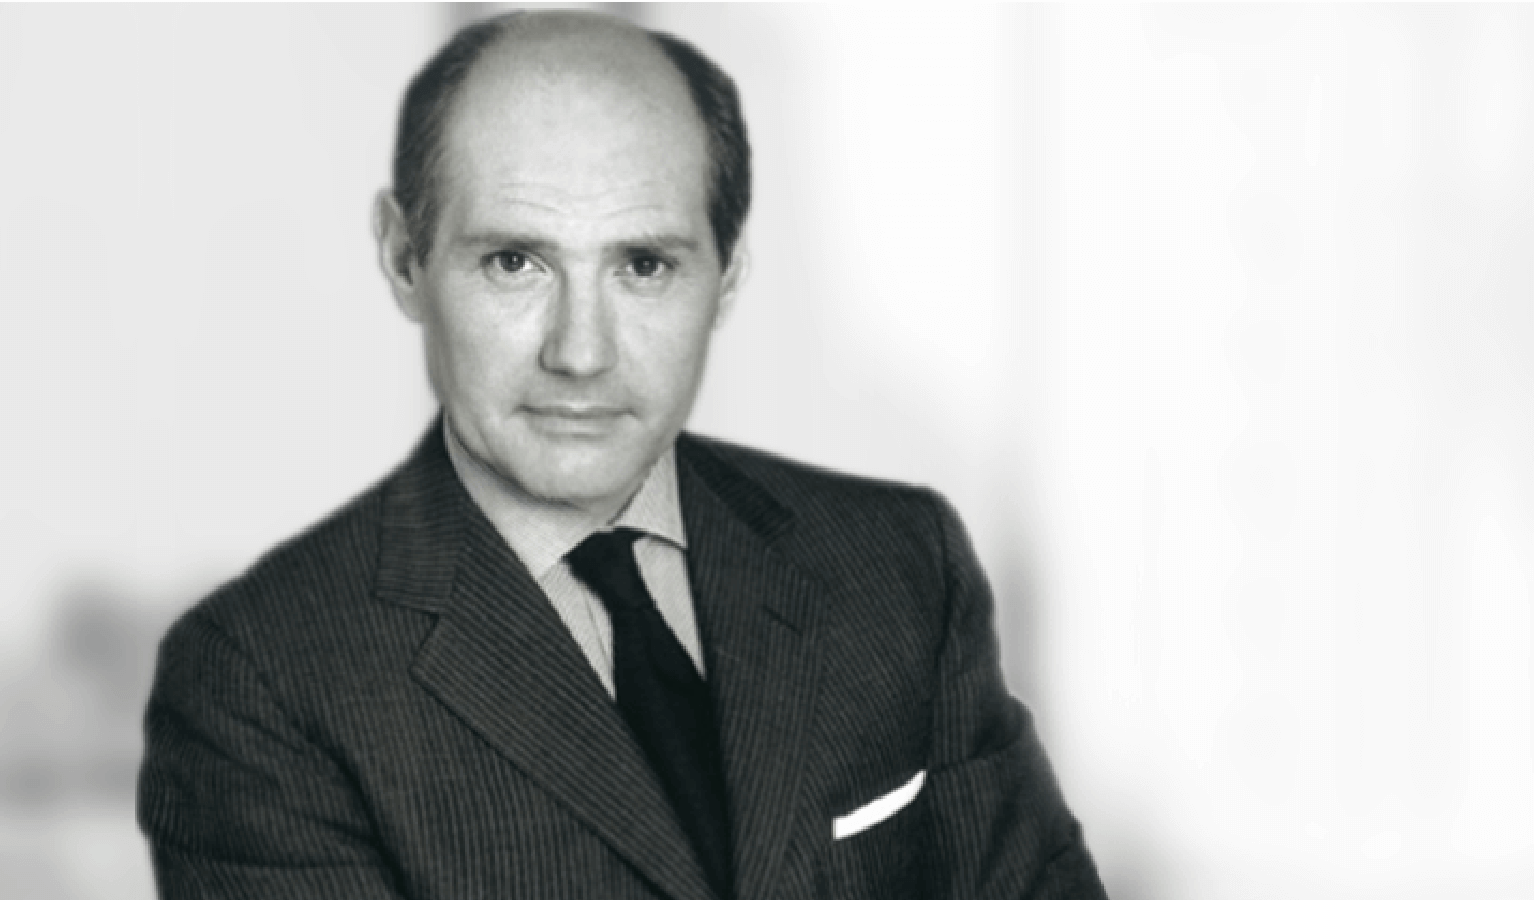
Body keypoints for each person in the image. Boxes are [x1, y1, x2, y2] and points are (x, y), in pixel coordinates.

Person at [136, 10, 1108, 900]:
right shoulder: (259, 684)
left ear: (727, 277)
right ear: (403, 258)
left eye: (644, 266)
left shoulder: (900, 566)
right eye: (514, 262)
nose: (581, 353)